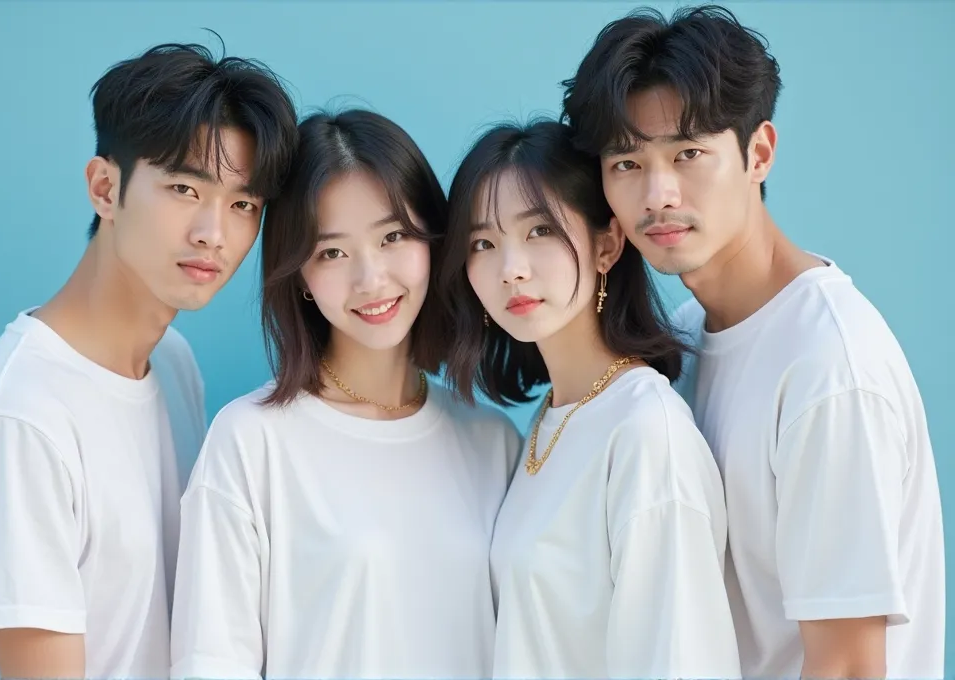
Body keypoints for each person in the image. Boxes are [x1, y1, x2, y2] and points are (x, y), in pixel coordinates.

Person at [561, 5, 945, 679]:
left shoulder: (829, 368)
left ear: (759, 152)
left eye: (688, 154)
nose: (658, 194)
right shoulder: (684, 337)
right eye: (626, 162)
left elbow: (850, 667)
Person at [0, 41, 298, 680]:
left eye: (244, 205)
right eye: (185, 188)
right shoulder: (17, 422)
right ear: (105, 187)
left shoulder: (173, 365)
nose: (214, 232)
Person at [169, 108, 521, 680]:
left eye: (393, 237)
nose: (372, 280)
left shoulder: (491, 441)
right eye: (333, 252)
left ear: (434, 240)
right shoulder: (253, 443)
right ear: (299, 276)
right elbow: (210, 663)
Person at [437, 119, 741, 679]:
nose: (512, 269)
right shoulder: (553, 418)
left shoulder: (646, 433)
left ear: (606, 245)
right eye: (483, 243)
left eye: (540, 231)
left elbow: (680, 662)